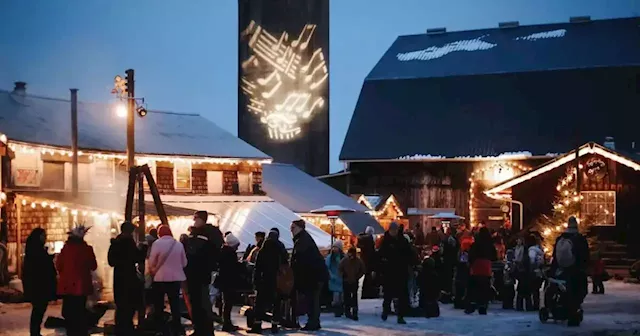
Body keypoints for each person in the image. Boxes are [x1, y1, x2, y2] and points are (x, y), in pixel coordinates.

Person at [184, 211, 220, 336]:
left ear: (202, 219)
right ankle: (199, 329)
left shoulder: (207, 235)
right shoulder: (196, 234)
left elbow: (203, 252)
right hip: (193, 272)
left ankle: (206, 330)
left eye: (196, 218)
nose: (194, 221)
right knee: (196, 303)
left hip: (201, 272)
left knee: (202, 303)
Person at [56, 226, 97, 336]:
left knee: (69, 310)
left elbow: (58, 265)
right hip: (81, 285)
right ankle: (80, 330)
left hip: (67, 286)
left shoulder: (65, 249)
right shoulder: (87, 249)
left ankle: (71, 330)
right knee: (80, 309)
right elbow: (93, 266)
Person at [550, 216, 590, 326]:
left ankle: (560, 310)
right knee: (577, 292)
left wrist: (553, 270)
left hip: (561, 271)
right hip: (576, 271)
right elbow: (585, 256)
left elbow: (555, 257)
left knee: (563, 292)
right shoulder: (580, 239)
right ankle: (573, 315)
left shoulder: (560, 239)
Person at [108, 222, 146, 335]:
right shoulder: (129, 243)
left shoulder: (115, 243)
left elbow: (111, 261)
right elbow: (137, 257)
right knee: (130, 303)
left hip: (118, 276)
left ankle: (120, 328)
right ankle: (127, 328)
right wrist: (143, 249)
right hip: (129, 275)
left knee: (120, 304)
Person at [149, 224, 187, 335]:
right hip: (176, 278)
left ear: (159, 233)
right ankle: (177, 327)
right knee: (175, 303)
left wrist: (153, 269)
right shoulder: (178, 244)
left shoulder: (157, 244)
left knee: (159, 304)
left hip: (160, 278)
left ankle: (161, 328)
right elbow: (184, 263)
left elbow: (151, 262)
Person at [290, 219, 328, 331]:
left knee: (312, 299)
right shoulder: (303, 239)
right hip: (314, 275)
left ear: (300, 228)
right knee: (312, 299)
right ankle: (314, 321)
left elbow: (300, 260)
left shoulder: (302, 241)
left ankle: (313, 322)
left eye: (293, 228)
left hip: (313, 276)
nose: (291, 230)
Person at [252, 228, 289, 333]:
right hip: (277, 281)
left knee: (260, 304)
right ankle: (274, 325)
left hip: (264, 281)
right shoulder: (280, 248)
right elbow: (286, 265)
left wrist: (256, 281)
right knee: (276, 304)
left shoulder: (264, 248)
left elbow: (257, 267)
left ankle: (257, 325)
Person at [378, 222, 415, 324]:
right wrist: (380, 268)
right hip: (389, 272)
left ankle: (401, 315)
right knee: (388, 294)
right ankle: (386, 311)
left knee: (402, 295)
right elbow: (380, 255)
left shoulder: (402, 241)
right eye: (392, 230)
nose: (393, 232)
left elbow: (409, 254)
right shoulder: (385, 241)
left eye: (395, 230)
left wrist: (412, 264)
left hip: (401, 271)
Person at [23, 228, 57, 336]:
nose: (45, 238)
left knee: (39, 309)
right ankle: (35, 332)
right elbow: (40, 266)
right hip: (38, 285)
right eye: (43, 236)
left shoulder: (34, 250)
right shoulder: (36, 251)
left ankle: (35, 331)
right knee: (39, 309)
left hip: (37, 285)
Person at [465, 227, 497, 315]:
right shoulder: (490, 244)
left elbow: (471, 255)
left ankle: (472, 303)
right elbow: (494, 257)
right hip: (486, 266)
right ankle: (483, 305)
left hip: (476, 265)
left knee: (474, 286)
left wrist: (470, 263)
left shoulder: (475, 244)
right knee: (485, 286)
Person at [216, 233, 243, 332]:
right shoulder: (230, 253)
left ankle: (226, 322)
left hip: (224, 281)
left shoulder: (223, 251)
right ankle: (227, 324)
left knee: (225, 302)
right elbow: (234, 267)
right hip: (229, 281)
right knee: (228, 303)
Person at [338, 246, 365, 320]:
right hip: (347, 281)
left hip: (354, 281)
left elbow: (362, 270)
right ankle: (348, 311)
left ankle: (354, 311)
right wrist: (343, 276)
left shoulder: (358, 261)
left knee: (354, 297)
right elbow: (340, 269)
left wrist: (357, 277)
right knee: (347, 297)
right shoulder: (345, 260)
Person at [417, 249, 441, 318]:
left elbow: (418, 283)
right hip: (432, 296)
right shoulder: (435, 274)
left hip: (424, 296)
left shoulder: (422, 273)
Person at [357, 226, 378, 299]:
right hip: (369, 262)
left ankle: (366, 293)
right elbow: (372, 252)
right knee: (369, 278)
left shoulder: (362, 239)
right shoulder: (369, 240)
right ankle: (368, 293)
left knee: (367, 277)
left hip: (365, 261)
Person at [326, 240, 345, 317]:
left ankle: (341, 309)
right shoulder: (330, 258)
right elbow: (327, 267)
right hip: (334, 280)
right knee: (336, 297)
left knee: (342, 297)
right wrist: (331, 275)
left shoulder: (343, 257)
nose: (334, 249)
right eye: (333, 247)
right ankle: (337, 311)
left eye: (336, 247)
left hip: (341, 279)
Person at [527, 234, 544, 310]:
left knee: (532, 289)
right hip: (539, 271)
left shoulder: (532, 250)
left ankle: (532, 305)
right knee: (536, 289)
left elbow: (532, 260)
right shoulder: (540, 250)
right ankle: (536, 304)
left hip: (533, 271)